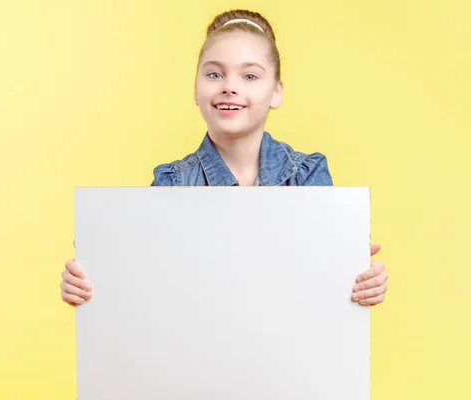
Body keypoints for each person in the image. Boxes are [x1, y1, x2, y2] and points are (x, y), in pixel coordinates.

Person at [60, 9, 389, 307]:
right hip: (195, 363)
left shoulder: (308, 174)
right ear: (196, 89)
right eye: (215, 74)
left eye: (250, 76)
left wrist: (363, 282)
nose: (229, 87)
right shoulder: (170, 184)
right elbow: (144, 285)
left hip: (287, 363)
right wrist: (93, 277)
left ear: (276, 91)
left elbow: (327, 282)